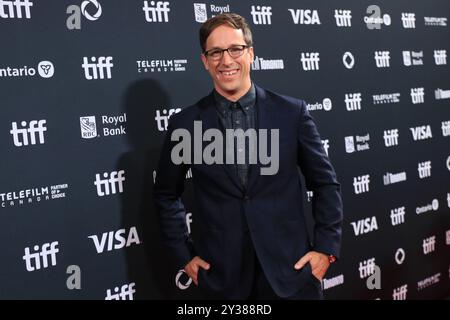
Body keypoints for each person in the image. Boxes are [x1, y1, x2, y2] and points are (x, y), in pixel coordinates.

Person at [153, 13, 343, 300]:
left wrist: (325, 250)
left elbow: (325, 184)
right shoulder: (186, 124)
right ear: (205, 61)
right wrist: (184, 255)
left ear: (250, 54)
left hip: (292, 275)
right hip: (223, 282)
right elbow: (166, 193)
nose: (226, 60)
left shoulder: (292, 114)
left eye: (235, 49)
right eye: (215, 52)